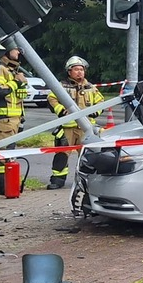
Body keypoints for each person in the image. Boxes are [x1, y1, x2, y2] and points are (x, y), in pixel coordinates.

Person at [46, 56, 104, 190]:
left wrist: (96, 111)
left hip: (86, 128)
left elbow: (101, 101)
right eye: (76, 69)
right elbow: (51, 99)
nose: (79, 72)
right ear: (69, 71)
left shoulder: (91, 87)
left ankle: (87, 181)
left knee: (88, 156)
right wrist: (60, 110)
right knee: (62, 155)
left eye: (81, 69)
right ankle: (57, 180)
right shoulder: (62, 86)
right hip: (67, 127)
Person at [0, 44, 28, 195]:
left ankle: (8, 186)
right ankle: (2, 187)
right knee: (3, 156)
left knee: (9, 155)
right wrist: (16, 82)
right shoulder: (1, 69)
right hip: (4, 119)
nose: (18, 52)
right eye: (15, 49)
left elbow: (18, 98)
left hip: (14, 120)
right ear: (6, 51)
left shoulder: (11, 70)